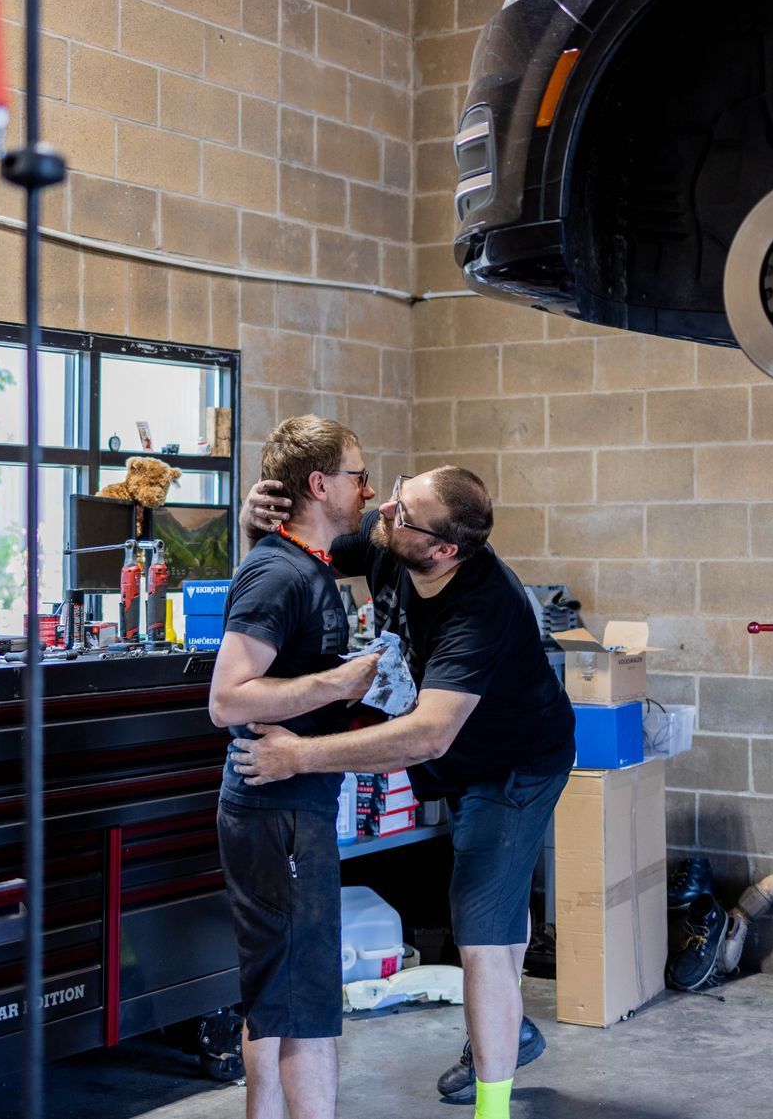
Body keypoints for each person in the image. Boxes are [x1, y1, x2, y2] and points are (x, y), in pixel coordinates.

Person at [230, 467, 576, 1119]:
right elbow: (310, 542)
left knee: (480, 934)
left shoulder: (483, 606)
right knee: (496, 922)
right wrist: (258, 522)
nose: (382, 507)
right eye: (392, 491)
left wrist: (299, 754)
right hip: (466, 752)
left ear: (443, 548)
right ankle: (510, 1026)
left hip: (515, 766)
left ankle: (492, 1106)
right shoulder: (394, 538)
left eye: (402, 510)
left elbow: (427, 736)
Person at [207, 416, 381, 1119]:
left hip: (290, 806)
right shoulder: (281, 571)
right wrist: (337, 684)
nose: (366, 487)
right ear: (319, 483)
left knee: (279, 994)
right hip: (277, 810)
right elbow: (227, 697)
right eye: (357, 474)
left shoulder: (307, 562)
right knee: (302, 1002)